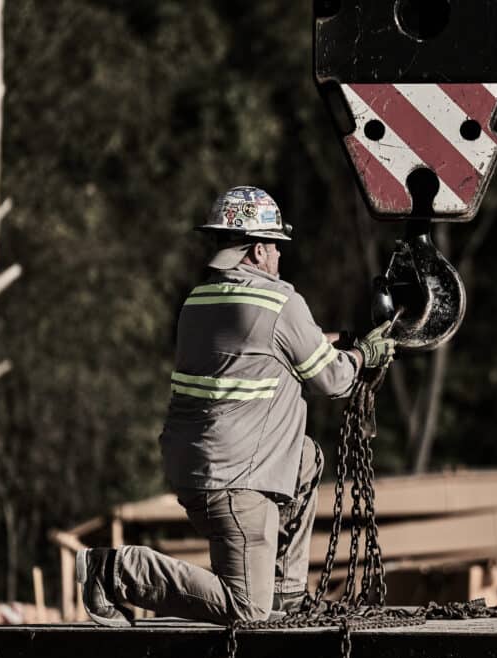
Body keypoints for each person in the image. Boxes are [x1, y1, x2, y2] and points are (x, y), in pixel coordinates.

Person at [75, 186, 395, 626]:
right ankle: (116, 571)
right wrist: (366, 355)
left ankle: (287, 592)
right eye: (278, 247)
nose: (281, 257)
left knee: (304, 460)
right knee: (247, 612)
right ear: (260, 249)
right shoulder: (282, 303)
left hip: (198, 468)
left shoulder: (200, 301)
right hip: (237, 482)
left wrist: (341, 342)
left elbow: (263, 351)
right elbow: (334, 379)